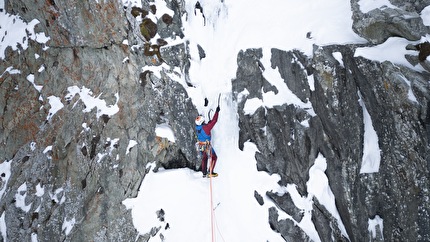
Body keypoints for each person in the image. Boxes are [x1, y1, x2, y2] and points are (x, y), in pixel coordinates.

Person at [195, 106, 220, 177]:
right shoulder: (206, 128)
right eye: (203, 121)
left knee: (205, 157)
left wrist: (207, 124)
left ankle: (204, 173)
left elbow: (204, 127)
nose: (204, 122)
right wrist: (217, 112)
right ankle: (210, 172)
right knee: (214, 157)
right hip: (206, 145)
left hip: (200, 145)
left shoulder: (197, 127)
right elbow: (214, 121)